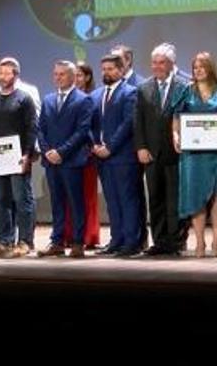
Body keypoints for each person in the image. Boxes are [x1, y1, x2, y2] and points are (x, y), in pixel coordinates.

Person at [172, 52, 217, 258]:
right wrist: (175, 137)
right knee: (196, 198)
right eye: (195, 67)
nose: (198, 70)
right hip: (193, 155)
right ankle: (199, 241)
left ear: (210, 68)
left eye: (202, 66)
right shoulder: (186, 91)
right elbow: (176, 118)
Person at [134, 43, 190, 256]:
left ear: (171, 64)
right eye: (154, 62)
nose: (157, 66)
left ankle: (176, 242)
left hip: (177, 153)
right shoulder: (144, 88)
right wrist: (140, 147)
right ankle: (159, 242)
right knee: (155, 198)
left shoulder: (184, 87)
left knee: (175, 200)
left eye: (161, 62)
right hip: (151, 154)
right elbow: (137, 121)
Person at [0, 57, 39, 258]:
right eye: (1, 73)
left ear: (16, 75)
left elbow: (32, 128)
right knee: (2, 200)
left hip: (18, 159)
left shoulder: (24, 99)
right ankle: (4, 240)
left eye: (7, 73)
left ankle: (25, 241)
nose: (3, 77)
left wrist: (27, 155)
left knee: (22, 199)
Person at [36, 61, 94, 259]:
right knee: (57, 203)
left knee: (76, 203)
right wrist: (47, 152)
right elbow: (40, 129)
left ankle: (78, 242)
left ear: (71, 76)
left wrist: (61, 152)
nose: (57, 77)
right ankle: (57, 241)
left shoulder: (83, 100)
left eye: (62, 74)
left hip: (72, 160)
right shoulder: (48, 99)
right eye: (55, 74)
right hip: (51, 161)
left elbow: (82, 131)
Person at [91, 54, 144, 257]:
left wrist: (110, 147)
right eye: (104, 69)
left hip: (122, 157)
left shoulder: (130, 92)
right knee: (112, 200)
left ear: (121, 70)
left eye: (111, 69)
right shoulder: (96, 95)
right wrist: (95, 145)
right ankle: (116, 240)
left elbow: (127, 124)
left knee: (127, 200)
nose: (106, 72)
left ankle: (131, 242)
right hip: (102, 157)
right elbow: (91, 124)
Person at [70, 62, 102, 249]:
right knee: (70, 197)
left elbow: (95, 126)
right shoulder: (65, 98)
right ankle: (70, 234)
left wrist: (93, 144)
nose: (75, 79)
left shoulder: (94, 97)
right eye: (72, 75)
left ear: (87, 77)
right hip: (68, 154)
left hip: (87, 154)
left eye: (79, 75)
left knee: (87, 196)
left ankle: (89, 236)